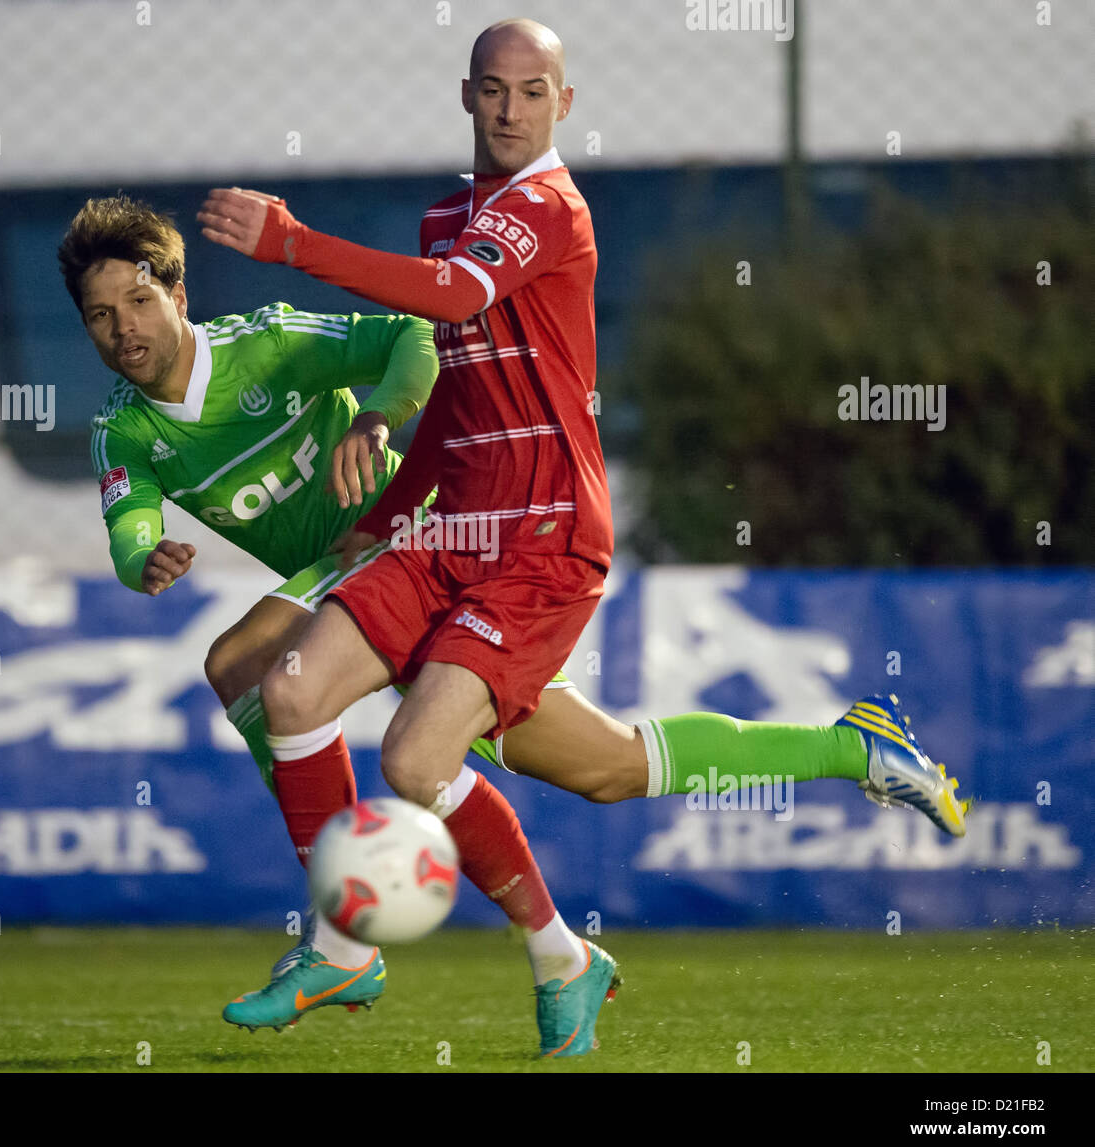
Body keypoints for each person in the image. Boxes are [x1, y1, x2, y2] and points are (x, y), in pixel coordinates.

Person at [196, 17, 965, 1057]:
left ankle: (381, 940)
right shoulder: (446, 216)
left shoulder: (547, 208)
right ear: (465, 96)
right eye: (492, 89)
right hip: (447, 527)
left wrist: (290, 242)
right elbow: (463, 398)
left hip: (544, 534)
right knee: (304, 692)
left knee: (418, 756)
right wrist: (381, 514)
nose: (510, 109)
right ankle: (520, 950)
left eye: (532, 89)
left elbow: (453, 294)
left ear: (565, 102)